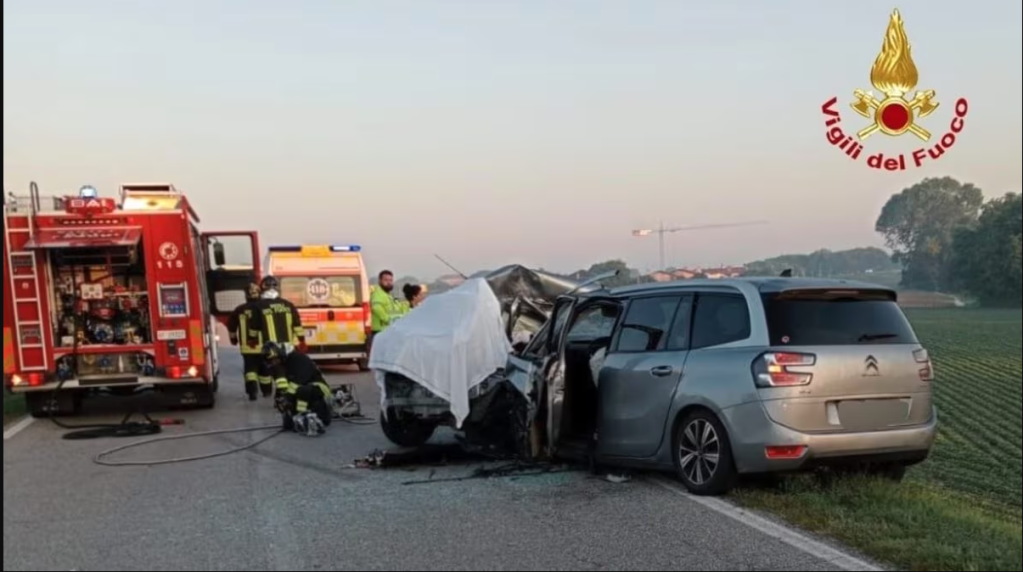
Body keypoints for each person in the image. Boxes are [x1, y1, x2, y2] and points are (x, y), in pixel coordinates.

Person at [263, 341, 333, 436]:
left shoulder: (298, 358)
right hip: (303, 389)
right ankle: (298, 419)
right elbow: (285, 385)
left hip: (319, 387)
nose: (273, 362)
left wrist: (287, 398)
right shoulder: (284, 363)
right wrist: (280, 398)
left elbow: (299, 381)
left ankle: (305, 415)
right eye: (271, 361)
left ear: (281, 354)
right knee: (298, 395)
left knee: (302, 390)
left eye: (274, 359)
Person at [227, 283, 271, 401]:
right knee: (265, 369)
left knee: (250, 369)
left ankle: (252, 393)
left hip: (248, 347)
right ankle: (267, 391)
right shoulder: (265, 307)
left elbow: (231, 325)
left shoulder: (240, 309)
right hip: (265, 346)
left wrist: (233, 339)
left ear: (246, 295)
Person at [250, 275, 305, 354]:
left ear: (262, 289)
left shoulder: (258, 306)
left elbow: (254, 326)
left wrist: (252, 339)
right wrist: (302, 340)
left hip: (270, 350)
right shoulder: (288, 305)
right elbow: (297, 325)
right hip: (288, 349)